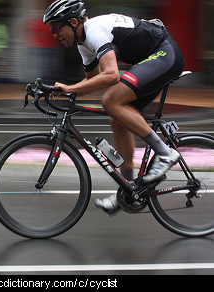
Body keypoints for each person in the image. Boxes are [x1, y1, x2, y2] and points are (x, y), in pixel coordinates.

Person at [43, 0, 185, 214]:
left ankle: (165, 153)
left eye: (56, 28)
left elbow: (110, 75)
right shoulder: (84, 46)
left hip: (165, 54)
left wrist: (70, 87)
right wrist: (59, 91)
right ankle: (130, 190)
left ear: (73, 22)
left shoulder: (94, 30)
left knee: (110, 100)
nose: (54, 34)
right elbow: (90, 83)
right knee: (116, 116)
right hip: (152, 60)